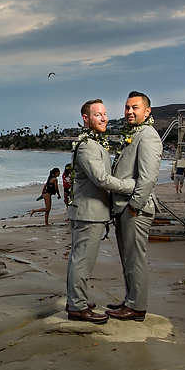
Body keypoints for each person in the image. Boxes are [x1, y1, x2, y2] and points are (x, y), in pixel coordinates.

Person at [66, 99, 135, 324]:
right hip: (89, 213)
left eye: (105, 114)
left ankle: (77, 300)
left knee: (80, 259)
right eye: (98, 115)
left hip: (90, 211)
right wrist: (133, 186)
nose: (104, 118)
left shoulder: (93, 143)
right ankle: (77, 307)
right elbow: (101, 179)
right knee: (82, 261)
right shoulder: (87, 146)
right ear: (86, 118)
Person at [108, 91, 162, 322]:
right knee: (128, 258)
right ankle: (131, 299)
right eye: (127, 107)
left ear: (147, 111)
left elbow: (148, 177)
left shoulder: (148, 136)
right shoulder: (136, 134)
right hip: (125, 207)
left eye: (135, 108)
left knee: (135, 258)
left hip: (135, 209)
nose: (130, 112)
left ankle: (137, 307)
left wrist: (134, 206)